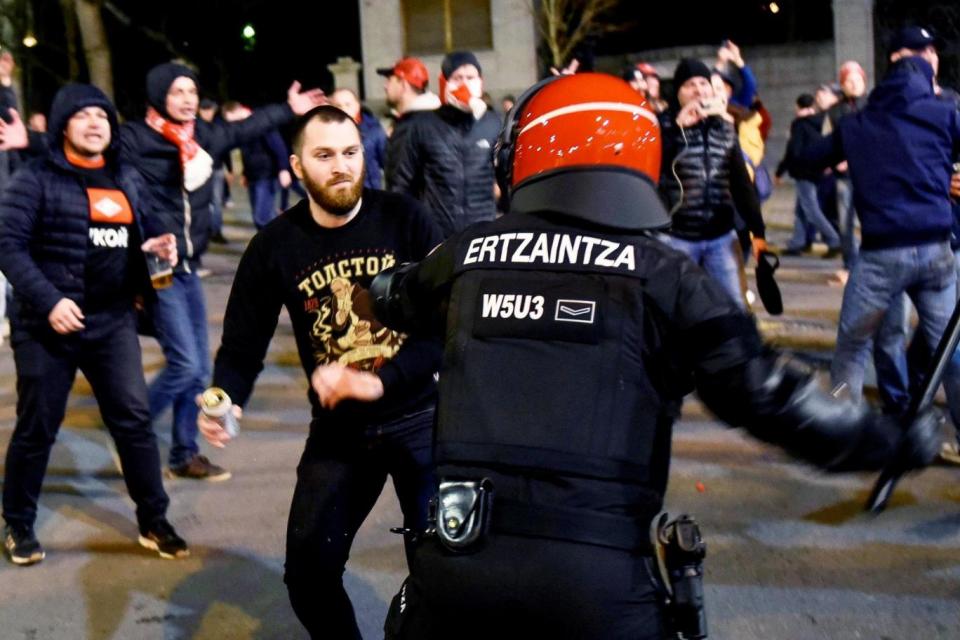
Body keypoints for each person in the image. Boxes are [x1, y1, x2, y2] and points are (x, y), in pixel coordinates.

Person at [366, 72, 941, 639]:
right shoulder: (670, 278)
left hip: (456, 572)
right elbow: (772, 400)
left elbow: (392, 295)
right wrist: (891, 439)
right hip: (599, 588)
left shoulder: (467, 255)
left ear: (525, 155)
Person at [197, 105, 443, 638]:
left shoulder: (406, 220)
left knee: (444, 571)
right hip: (341, 432)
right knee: (308, 575)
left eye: (351, 153)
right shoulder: (274, 246)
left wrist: (379, 380)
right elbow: (242, 344)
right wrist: (226, 396)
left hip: (420, 416)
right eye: (325, 155)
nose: (341, 167)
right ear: (297, 165)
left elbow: (446, 328)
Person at [0, 84, 189, 565]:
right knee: (38, 425)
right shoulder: (34, 178)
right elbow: (8, 246)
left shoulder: (125, 179)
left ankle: (154, 520)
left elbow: (141, 244)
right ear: (64, 125)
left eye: (102, 117)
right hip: (46, 326)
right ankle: (18, 523)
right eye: (83, 116)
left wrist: (158, 255)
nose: (94, 124)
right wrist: (48, 302)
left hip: (112, 321)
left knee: (134, 421)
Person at [797, 52, 960, 437]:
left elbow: (805, 161)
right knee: (951, 352)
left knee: (853, 346)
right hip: (936, 251)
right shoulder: (943, 115)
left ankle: (839, 429)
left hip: (880, 256)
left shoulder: (857, 123)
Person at [658, 58, 767, 309]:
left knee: (734, 308)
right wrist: (676, 130)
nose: (698, 89)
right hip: (677, 238)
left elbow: (741, 185)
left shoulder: (724, 126)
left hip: (720, 236)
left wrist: (757, 231)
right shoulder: (663, 124)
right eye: (689, 84)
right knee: (674, 309)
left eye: (703, 83)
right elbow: (654, 172)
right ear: (678, 92)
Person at [385, 51, 501, 238]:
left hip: (483, 237)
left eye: (470, 77)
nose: (464, 84)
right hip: (438, 237)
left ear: (480, 82)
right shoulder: (423, 126)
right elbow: (402, 184)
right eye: (457, 78)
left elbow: (506, 179)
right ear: (444, 83)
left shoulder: (494, 124)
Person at [775, 93, 842, 256]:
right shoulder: (821, 122)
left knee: (811, 209)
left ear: (797, 107)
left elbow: (793, 151)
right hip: (818, 169)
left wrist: (780, 172)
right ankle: (798, 242)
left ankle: (834, 240)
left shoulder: (799, 124)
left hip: (803, 171)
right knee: (801, 210)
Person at [221, 101, 293, 229]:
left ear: (239, 111)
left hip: (266, 175)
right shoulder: (243, 129)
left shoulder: (260, 124)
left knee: (262, 217)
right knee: (260, 215)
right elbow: (246, 154)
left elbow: (279, 147)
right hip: (254, 176)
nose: (233, 125)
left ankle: (274, 245)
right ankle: (273, 244)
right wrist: (245, 174)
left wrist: (283, 169)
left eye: (233, 121)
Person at [329, 87, 388, 189]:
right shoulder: (326, 133)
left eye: (348, 104)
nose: (343, 109)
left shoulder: (373, 130)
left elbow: (387, 162)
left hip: (370, 190)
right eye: (338, 105)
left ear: (357, 106)